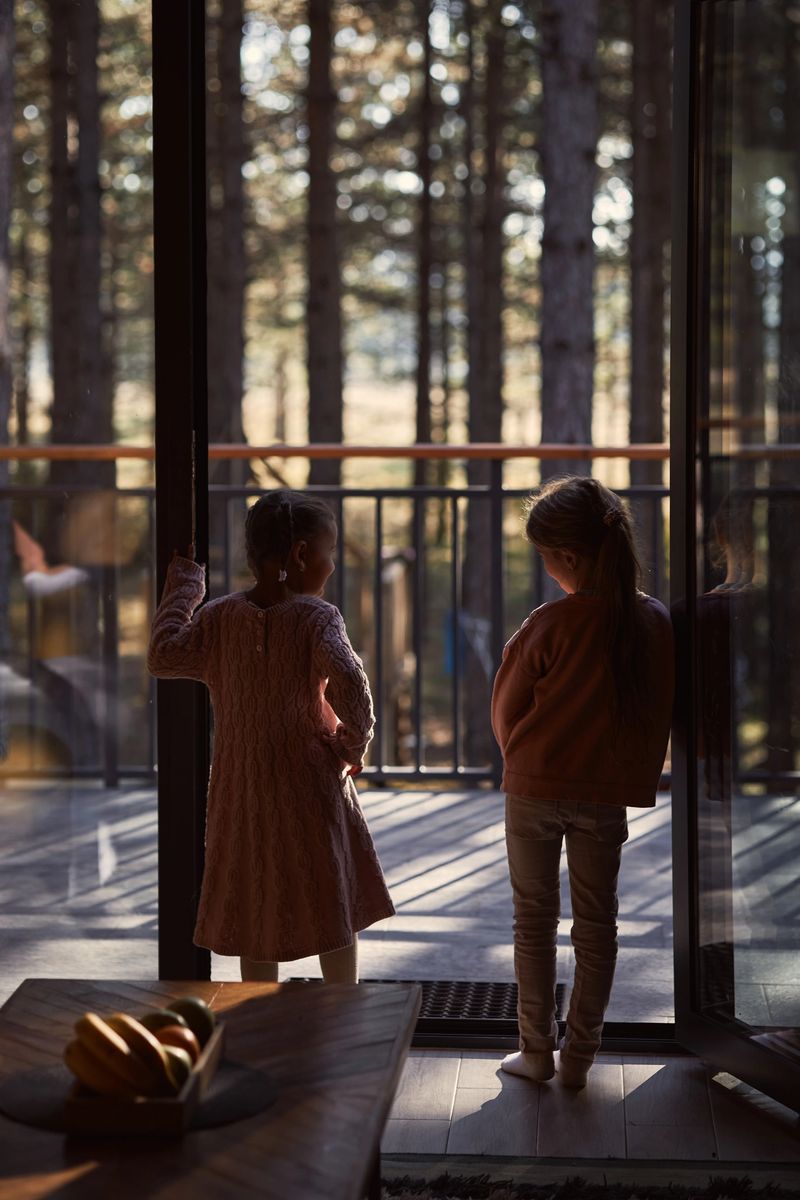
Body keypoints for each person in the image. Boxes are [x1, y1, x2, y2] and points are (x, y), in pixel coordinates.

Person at [147, 489, 394, 983]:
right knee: (328, 892)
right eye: (329, 552)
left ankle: (258, 1010)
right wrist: (349, 746)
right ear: (302, 554)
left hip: (241, 786)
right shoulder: (317, 618)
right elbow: (350, 684)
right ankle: (340, 1005)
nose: (331, 564)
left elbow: (163, 655)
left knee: (250, 895)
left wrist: (185, 584)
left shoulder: (219, 617)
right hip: (309, 781)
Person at [491, 476, 673, 1088]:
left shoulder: (551, 622)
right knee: (597, 923)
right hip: (602, 795)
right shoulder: (651, 621)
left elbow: (507, 708)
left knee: (533, 920)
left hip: (534, 787)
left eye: (545, 559)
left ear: (566, 558)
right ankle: (581, 1058)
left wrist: (523, 759)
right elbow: (655, 712)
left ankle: (535, 1049)